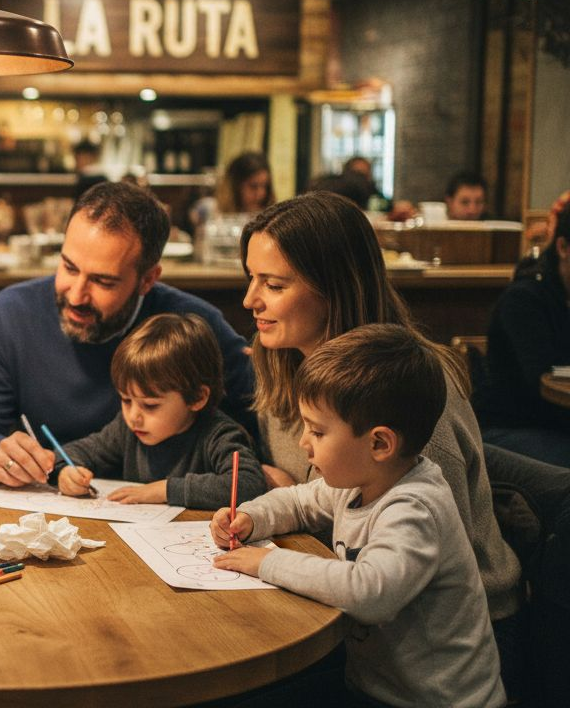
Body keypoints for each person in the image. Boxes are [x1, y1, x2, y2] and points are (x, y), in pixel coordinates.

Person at [240, 191, 521, 625]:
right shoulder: (283, 360)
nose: (250, 300)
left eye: (274, 285)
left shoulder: (403, 388)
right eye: (251, 278)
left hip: (445, 633)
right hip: (345, 598)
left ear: (335, 287)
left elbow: (424, 555)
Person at [211, 324, 505, 708]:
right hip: (375, 687)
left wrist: (267, 561)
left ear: (379, 443)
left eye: (317, 432)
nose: (304, 443)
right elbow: (299, 502)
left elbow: (370, 593)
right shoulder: (359, 478)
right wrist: (250, 518)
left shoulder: (414, 508)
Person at [0, 180, 257, 487]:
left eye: (103, 282)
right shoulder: (14, 312)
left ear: (147, 280)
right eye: (68, 267)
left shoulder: (196, 325)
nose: (76, 295)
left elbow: (255, 424)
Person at [53, 313, 265, 508]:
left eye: (150, 405)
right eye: (126, 400)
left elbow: (248, 484)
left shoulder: (219, 434)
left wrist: (164, 489)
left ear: (198, 398)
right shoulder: (126, 431)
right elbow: (73, 452)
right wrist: (66, 471)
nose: (133, 416)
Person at [474, 203, 570, 466]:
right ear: (562, 247)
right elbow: (541, 384)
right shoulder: (524, 298)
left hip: (552, 422)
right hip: (510, 426)